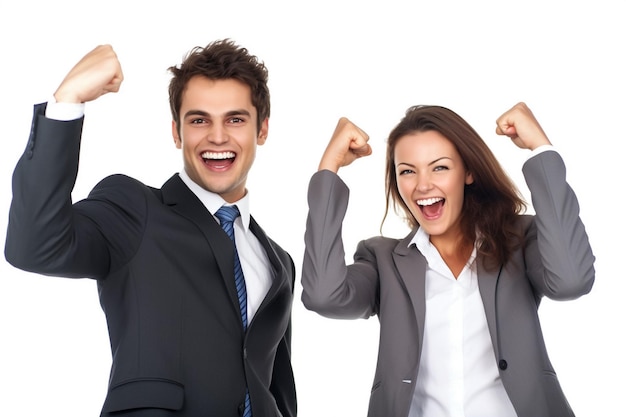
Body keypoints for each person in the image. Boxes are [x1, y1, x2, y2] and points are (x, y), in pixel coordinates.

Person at [5, 40, 296, 417]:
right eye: (199, 120)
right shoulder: (134, 211)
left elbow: (279, 389)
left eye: (235, 119)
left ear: (263, 130)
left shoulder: (279, 261)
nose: (218, 137)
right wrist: (68, 99)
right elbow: (34, 245)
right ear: (177, 132)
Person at [301, 102, 595, 417]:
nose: (423, 185)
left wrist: (541, 149)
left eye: (439, 167)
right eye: (407, 171)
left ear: (468, 172)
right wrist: (328, 170)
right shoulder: (382, 260)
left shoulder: (519, 241)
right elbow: (324, 296)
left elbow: (570, 281)